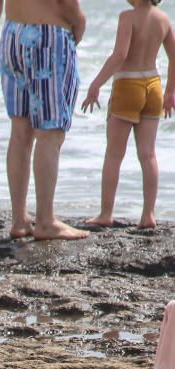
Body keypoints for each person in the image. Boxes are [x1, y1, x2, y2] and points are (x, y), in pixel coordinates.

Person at [0, 0, 90, 241]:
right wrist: (80, 22)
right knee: (49, 133)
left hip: (12, 33)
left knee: (21, 130)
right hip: (47, 35)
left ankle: (19, 219)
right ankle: (45, 220)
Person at [82, 0, 175, 229]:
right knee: (148, 155)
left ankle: (106, 213)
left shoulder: (127, 17)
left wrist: (95, 84)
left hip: (127, 85)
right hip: (153, 85)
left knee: (114, 154)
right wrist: (170, 92)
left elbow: (120, 55)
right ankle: (148, 216)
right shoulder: (164, 19)